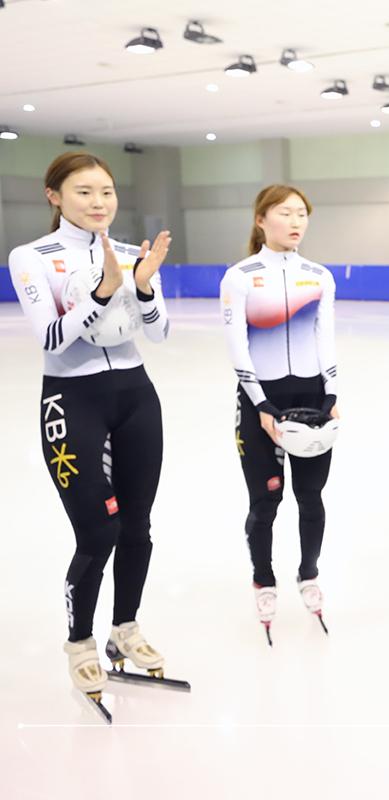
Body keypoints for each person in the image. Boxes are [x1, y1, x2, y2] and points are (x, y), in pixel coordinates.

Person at [8, 151, 173, 709]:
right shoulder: (31, 257)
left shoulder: (132, 254)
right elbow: (52, 338)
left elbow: (161, 333)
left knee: (138, 529)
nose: (99, 202)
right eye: (83, 191)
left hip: (135, 396)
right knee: (98, 533)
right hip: (71, 400)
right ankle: (79, 642)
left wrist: (143, 288)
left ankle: (124, 629)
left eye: (106, 191)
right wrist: (103, 292)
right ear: (54, 196)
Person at [219, 184, 338, 643]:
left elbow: (325, 337)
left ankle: (308, 573)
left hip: (312, 398)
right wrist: (261, 403)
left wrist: (332, 392)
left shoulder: (319, 276)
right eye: (285, 213)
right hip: (260, 401)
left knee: (311, 496)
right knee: (265, 500)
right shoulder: (241, 276)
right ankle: (264, 580)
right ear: (261, 219)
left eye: (302, 214)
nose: (295, 222)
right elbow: (237, 346)